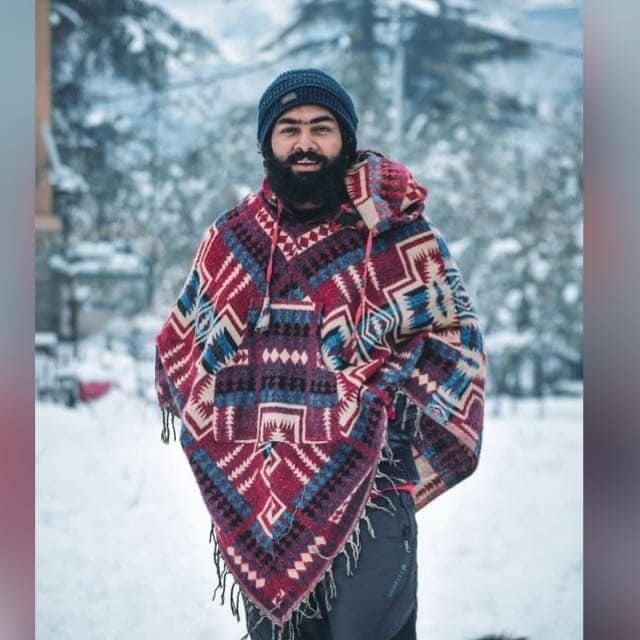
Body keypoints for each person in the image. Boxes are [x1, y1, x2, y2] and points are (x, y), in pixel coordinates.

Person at [155, 69, 487, 640]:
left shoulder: (397, 234)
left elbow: (454, 347)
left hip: (374, 495)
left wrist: (376, 402)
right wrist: (223, 423)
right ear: (267, 143)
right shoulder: (232, 240)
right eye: (288, 129)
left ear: (346, 138)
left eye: (321, 128)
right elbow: (181, 350)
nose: (304, 143)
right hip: (263, 508)